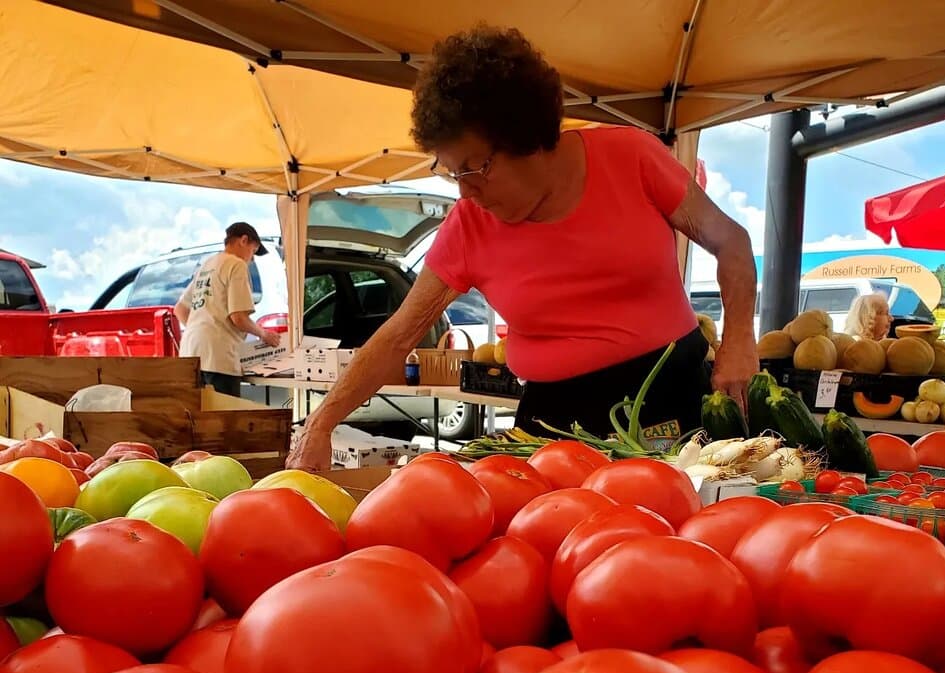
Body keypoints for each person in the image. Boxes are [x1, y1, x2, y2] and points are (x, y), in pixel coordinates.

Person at [288, 26, 757, 472]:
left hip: (667, 401)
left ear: (528, 136)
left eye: (475, 168)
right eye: (452, 173)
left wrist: (739, 340)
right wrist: (321, 423)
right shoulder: (468, 225)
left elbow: (731, 242)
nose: (464, 191)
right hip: (552, 422)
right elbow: (397, 336)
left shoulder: (633, 156)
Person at [174, 222, 279, 396]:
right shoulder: (236, 264)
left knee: (196, 411)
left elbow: (180, 309)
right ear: (243, 240)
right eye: (253, 251)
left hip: (190, 353)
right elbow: (238, 317)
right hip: (219, 357)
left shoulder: (208, 264)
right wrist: (263, 334)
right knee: (224, 411)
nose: (252, 259)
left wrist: (203, 328)